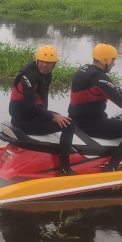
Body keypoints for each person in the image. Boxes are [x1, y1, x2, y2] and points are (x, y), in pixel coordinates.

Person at [62, 44, 122, 173]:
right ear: (105, 60)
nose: (114, 64)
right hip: (90, 125)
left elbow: (107, 89)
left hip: (77, 121)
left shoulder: (84, 70)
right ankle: (112, 166)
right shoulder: (99, 78)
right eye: (113, 60)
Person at [9, 45, 75, 175]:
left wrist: (51, 115)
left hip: (30, 116)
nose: (44, 65)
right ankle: (64, 168)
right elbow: (30, 107)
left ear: (54, 64)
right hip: (23, 121)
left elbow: (42, 100)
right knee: (69, 125)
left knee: (62, 118)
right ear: (37, 60)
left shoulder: (46, 75)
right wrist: (51, 116)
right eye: (42, 61)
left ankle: (56, 151)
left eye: (49, 63)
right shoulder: (29, 77)